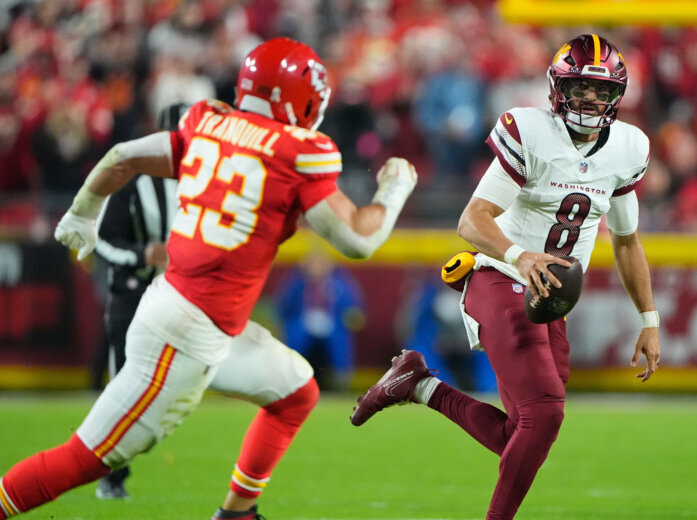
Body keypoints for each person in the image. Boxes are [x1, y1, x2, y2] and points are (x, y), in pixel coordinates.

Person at [0, 37, 417, 520]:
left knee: (296, 391)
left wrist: (81, 213)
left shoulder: (208, 122)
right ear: (300, 100)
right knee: (87, 458)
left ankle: (237, 513)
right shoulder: (296, 152)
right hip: (182, 335)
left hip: (201, 319)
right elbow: (359, 241)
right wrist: (395, 187)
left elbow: (121, 156)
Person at [350, 34, 661, 519]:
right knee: (546, 412)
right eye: (580, 88)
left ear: (617, 96)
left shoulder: (627, 147)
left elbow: (626, 241)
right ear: (558, 89)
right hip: (498, 275)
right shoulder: (531, 131)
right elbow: (472, 220)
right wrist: (520, 257)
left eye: (601, 91)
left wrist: (649, 318)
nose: (590, 99)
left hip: (549, 297)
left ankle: (418, 384)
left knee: (526, 432)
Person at [90, 103, 188, 499]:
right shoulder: (134, 177)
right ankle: (110, 472)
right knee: (125, 383)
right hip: (134, 292)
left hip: (185, 298)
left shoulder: (213, 179)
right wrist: (141, 255)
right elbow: (101, 239)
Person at [275, 252, 365, 391]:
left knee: (339, 339)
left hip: (331, 323)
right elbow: (283, 307)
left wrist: (353, 315)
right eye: (313, 264)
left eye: (321, 264)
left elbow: (353, 306)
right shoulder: (297, 283)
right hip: (303, 322)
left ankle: (341, 380)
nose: (317, 268)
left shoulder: (340, 283)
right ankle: (290, 377)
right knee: (295, 335)